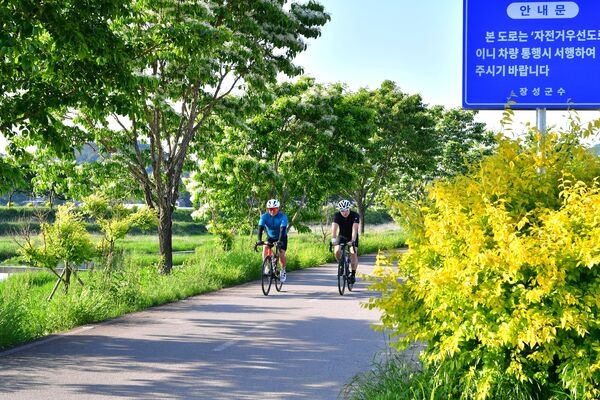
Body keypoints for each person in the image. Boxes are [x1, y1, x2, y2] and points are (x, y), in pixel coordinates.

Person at [257, 198, 289, 282]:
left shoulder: (283, 217)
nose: (272, 211)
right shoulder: (264, 217)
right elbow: (260, 228)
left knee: (281, 254)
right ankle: (267, 266)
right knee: (265, 247)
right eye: (270, 209)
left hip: (282, 237)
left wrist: (279, 241)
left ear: (277, 209)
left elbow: (282, 229)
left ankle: (283, 270)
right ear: (268, 209)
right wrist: (259, 240)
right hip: (270, 237)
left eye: (274, 209)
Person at [331, 199, 359, 284]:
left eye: (346, 210)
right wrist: (333, 239)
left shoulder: (355, 215)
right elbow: (334, 229)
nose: (344, 212)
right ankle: (341, 264)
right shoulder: (337, 215)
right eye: (342, 211)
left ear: (349, 209)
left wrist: (353, 241)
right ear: (340, 210)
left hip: (352, 236)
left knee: (353, 253)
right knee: (336, 250)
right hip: (342, 235)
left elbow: (355, 229)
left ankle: (353, 274)